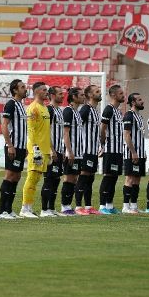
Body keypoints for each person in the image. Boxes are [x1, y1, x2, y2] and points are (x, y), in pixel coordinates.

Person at [0, 79, 27, 220]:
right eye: (22, 87)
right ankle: (1, 210)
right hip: (13, 146)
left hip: (21, 147)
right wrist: (10, 145)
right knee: (9, 176)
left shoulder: (22, 105)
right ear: (15, 90)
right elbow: (4, 125)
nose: (25, 89)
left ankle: (9, 210)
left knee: (16, 177)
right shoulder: (11, 104)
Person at [21, 82, 51, 218]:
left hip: (44, 149)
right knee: (32, 177)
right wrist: (35, 149)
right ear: (37, 92)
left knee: (37, 178)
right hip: (36, 149)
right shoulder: (33, 108)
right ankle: (24, 208)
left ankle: (29, 207)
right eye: (44, 90)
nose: (47, 92)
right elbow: (31, 130)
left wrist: (49, 149)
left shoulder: (44, 107)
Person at [63, 87, 93, 215]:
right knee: (69, 178)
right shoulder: (68, 111)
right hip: (72, 152)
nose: (83, 97)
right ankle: (65, 207)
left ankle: (69, 206)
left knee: (74, 179)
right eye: (81, 95)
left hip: (79, 152)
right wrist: (69, 152)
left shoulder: (77, 112)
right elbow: (66, 133)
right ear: (74, 97)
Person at [98, 84, 125, 214]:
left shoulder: (119, 111)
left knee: (114, 178)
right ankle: (102, 206)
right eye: (120, 93)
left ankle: (109, 205)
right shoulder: (108, 109)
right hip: (110, 150)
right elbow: (102, 129)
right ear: (113, 95)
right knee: (108, 177)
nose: (123, 95)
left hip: (118, 150)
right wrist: (103, 146)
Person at [79, 85, 103, 214]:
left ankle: (88, 206)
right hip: (85, 150)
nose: (100, 93)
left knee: (90, 178)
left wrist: (101, 146)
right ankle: (78, 207)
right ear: (89, 95)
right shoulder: (85, 110)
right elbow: (77, 127)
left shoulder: (96, 111)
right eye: (97, 92)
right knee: (83, 177)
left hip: (93, 151)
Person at [42, 86, 65, 216]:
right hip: (52, 151)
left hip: (59, 150)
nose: (62, 96)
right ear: (52, 95)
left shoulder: (59, 111)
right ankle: (44, 209)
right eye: (60, 93)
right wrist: (52, 150)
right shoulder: (49, 110)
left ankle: (51, 208)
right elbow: (45, 131)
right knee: (49, 179)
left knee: (56, 179)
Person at [122, 93, 146, 214]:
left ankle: (134, 206)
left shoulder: (140, 117)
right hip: (132, 153)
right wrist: (133, 152)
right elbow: (126, 135)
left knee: (137, 180)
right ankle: (126, 207)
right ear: (132, 102)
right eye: (139, 99)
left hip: (140, 153)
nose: (142, 101)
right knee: (130, 178)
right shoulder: (129, 115)